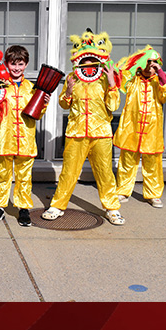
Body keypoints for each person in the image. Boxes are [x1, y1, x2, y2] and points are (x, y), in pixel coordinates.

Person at [42, 29, 125, 225]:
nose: (88, 65)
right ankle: (58, 205)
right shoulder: (72, 77)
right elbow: (64, 103)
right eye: (84, 62)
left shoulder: (106, 78)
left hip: (101, 134)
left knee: (104, 172)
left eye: (92, 62)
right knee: (69, 171)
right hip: (76, 132)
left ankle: (112, 208)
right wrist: (69, 90)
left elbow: (113, 106)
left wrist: (112, 83)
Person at [0, 45, 50, 227]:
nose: (16, 68)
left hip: (25, 139)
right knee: (1, 175)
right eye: (13, 64)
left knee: (24, 176)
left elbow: (37, 113)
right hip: (3, 138)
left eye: (20, 64)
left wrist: (44, 104)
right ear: (7, 64)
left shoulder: (32, 88)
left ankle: (23, 209)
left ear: (26, 64)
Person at [114, 46, 166, 208]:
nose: (152, 66)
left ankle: (153, 194)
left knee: (152, 165)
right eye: (149, 62)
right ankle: (122, 190)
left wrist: (160, 73)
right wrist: (137, 61)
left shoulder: (159, 83)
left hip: (151, 132)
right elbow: (120, 74)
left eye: (155, 63)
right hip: (131, 130)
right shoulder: (132, 81)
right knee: (127, 162)